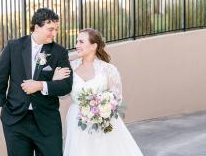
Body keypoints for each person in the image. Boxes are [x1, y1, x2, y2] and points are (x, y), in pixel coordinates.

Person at [0, 8, 73, 156]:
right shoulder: (13, 46)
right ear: (36, 27)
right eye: (50, 29)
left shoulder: (59, 52)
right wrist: (4, 106)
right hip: (16, 121)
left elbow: (66, 86)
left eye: (56, 29)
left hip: (47, 122)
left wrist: (41, 85)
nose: (54, 33)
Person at [53, 28, 143, 156]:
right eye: (76, 41)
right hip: (77, 120)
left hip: (103, 122)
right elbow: (62, 95)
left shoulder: (108, 69)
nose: (77, 45)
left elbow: (116, 98)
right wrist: (56, 80)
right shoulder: (70, 68)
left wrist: (101, 109)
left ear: (93, 46)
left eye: (81, 42)